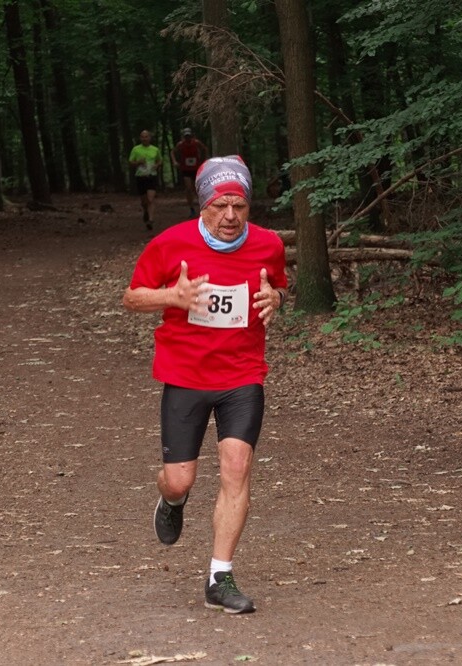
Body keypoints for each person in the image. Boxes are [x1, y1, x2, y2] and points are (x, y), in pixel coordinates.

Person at [122, 156, 288, 614]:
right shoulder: (169, 244)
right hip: (186, 376)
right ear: (203, 206)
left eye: (239, 204)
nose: (231, 215)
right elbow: (131, 296)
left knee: (236, 467)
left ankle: (220, 575)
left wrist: (276, 298)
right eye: (220, 205)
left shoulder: (269, 244)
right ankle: (171, 501)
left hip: (243, 376)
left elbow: (277, 285)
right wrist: (170, 296)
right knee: (180, 480)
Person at [129, 130, 163, 230]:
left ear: (150, 138)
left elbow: (160, 160)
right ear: (140, 138)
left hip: (151, 176)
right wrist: (138, 162)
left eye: (146, 136)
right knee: (144, 201)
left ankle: (151, 220)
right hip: (140, 176)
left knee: (150, 199)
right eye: (143, 137)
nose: (145, 138)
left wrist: (156, 165)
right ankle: (146, 211)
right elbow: (131, 162)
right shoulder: (136, 149)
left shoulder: (155, 149)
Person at [171, 128, 209, 217]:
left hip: (196, 168)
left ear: (192, 136)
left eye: (189, 136)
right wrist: (174, 161)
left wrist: (205, 159)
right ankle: (191, 208)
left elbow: (205, 149)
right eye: (186, 136)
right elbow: (172, 152)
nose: (187, 138)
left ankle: (202, 207)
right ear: (183, 137)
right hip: (186, 169)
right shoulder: (181, 144)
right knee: (188, 188)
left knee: (197, 189)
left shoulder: (196, 143)